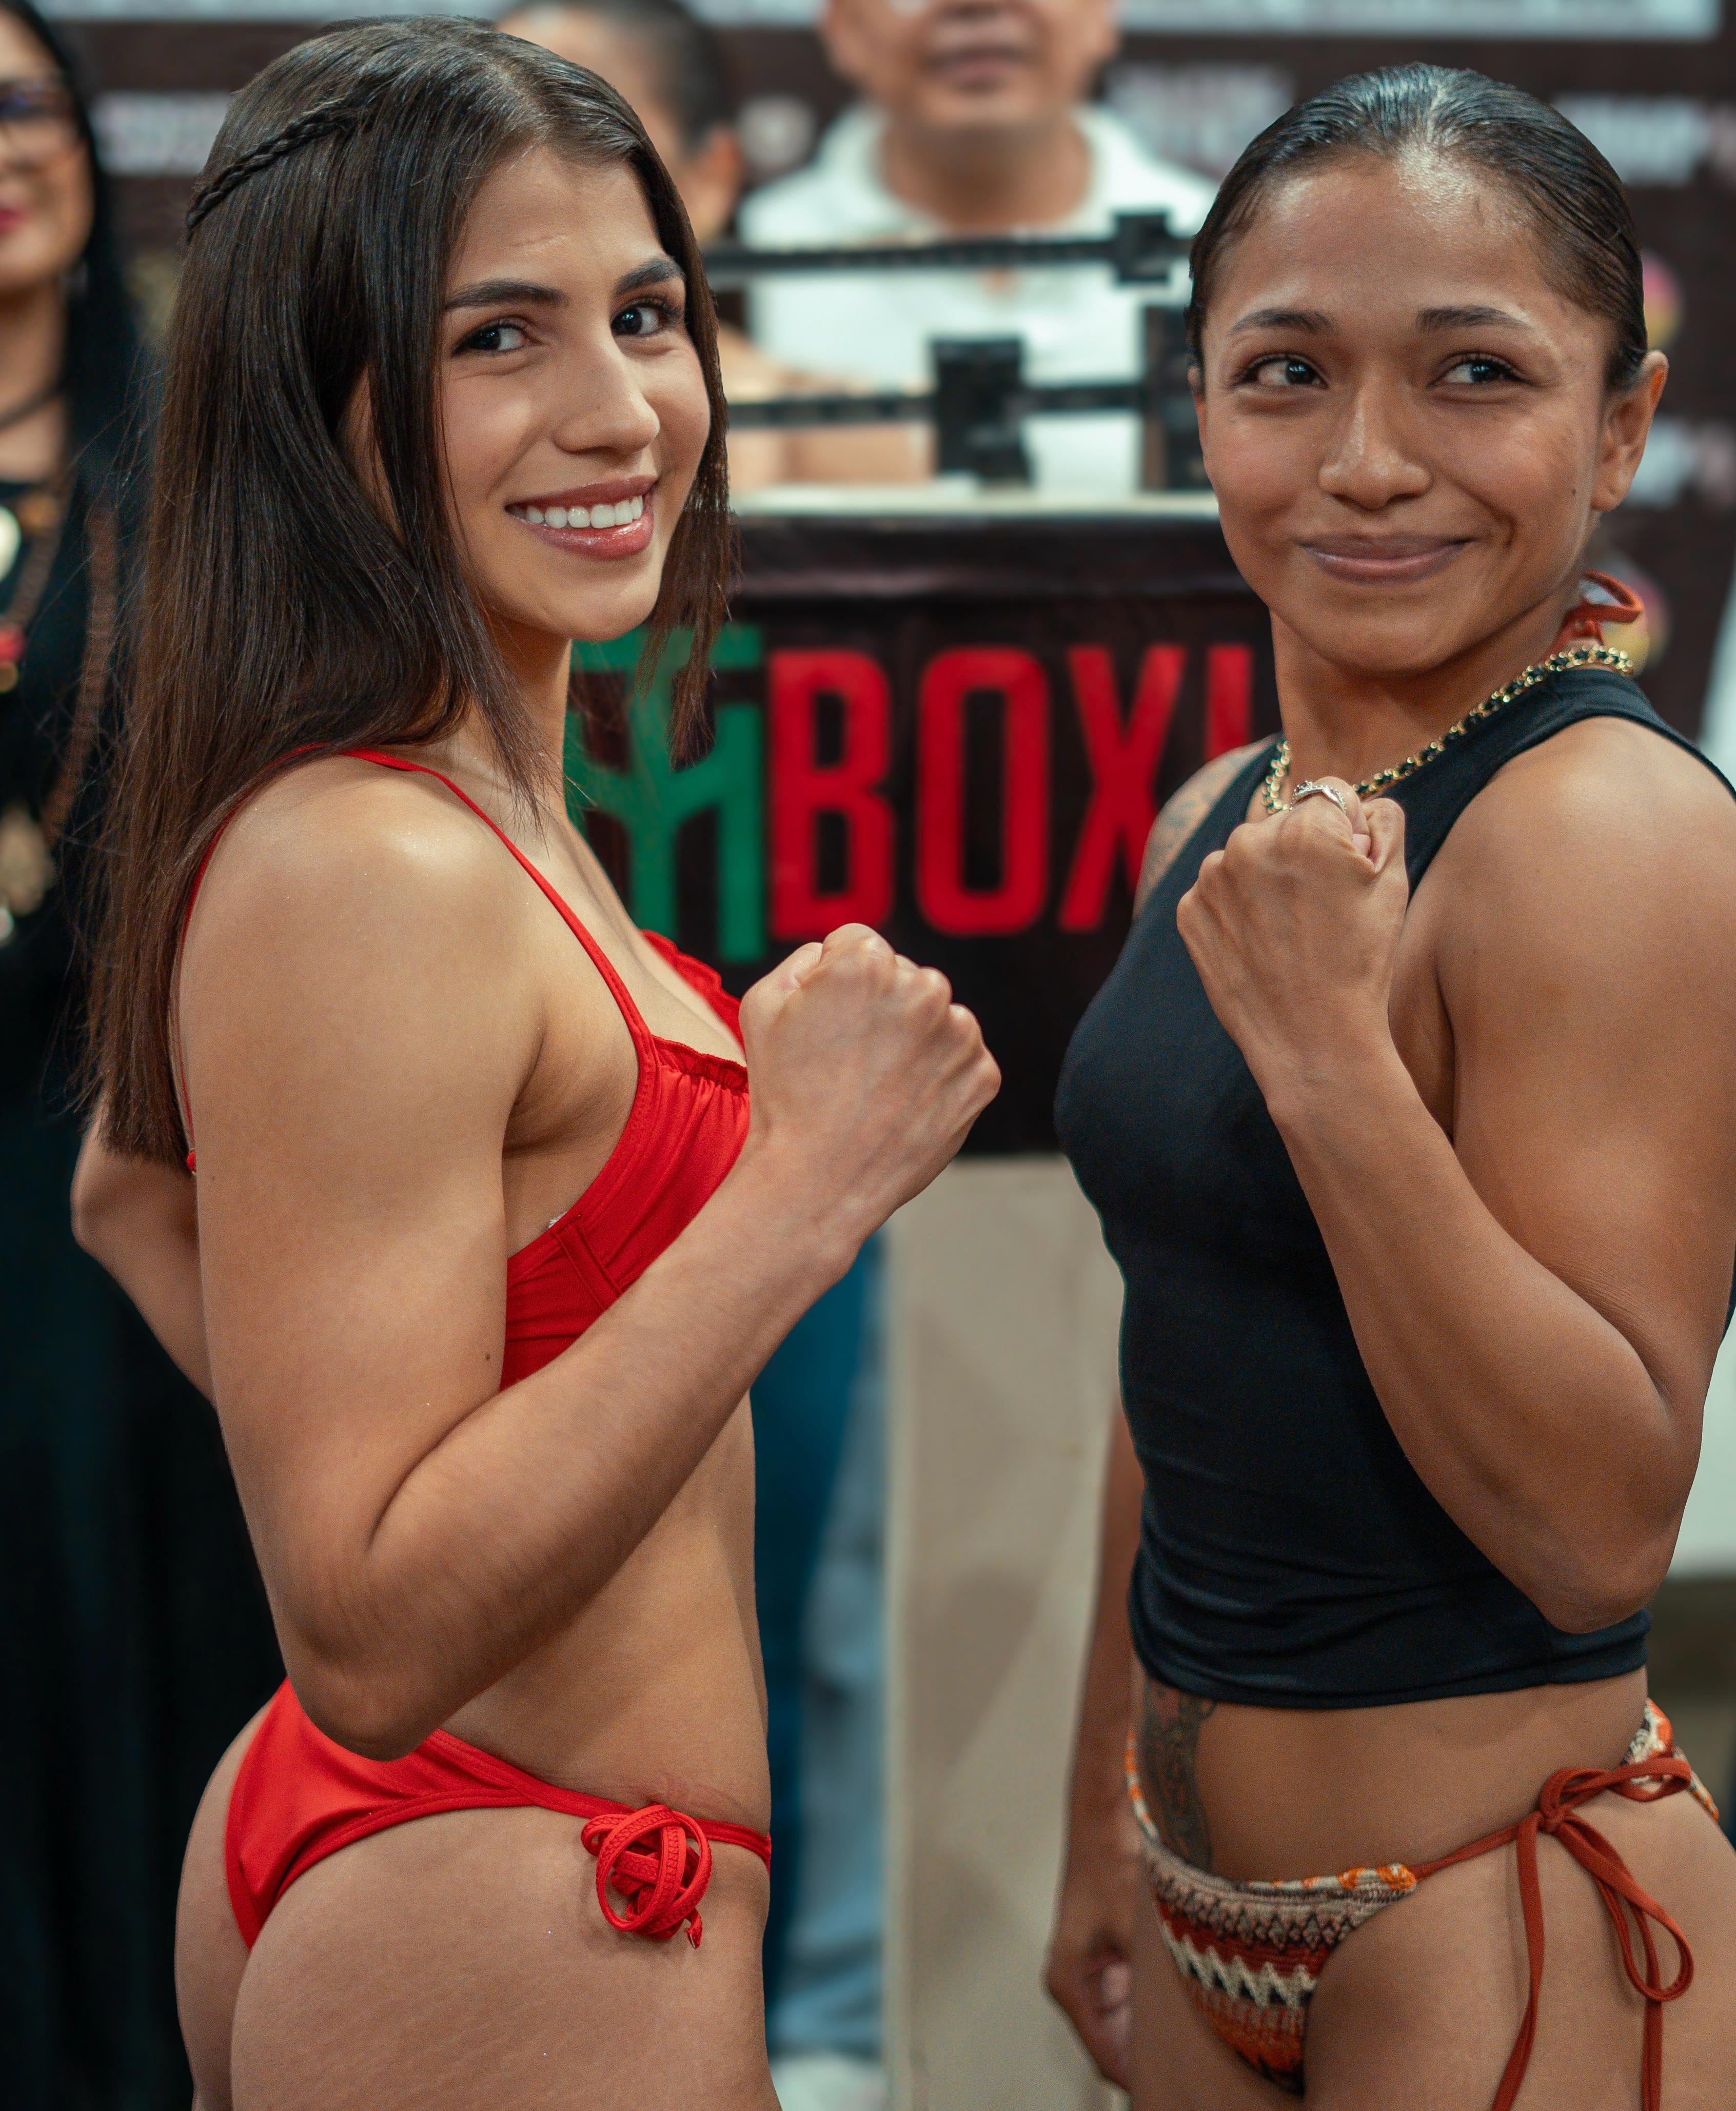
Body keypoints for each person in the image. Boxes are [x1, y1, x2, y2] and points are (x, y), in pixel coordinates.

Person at [72, 21, 996, 2111]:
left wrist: (374, 1396)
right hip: (506, 1886)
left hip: (490, 1865)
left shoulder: (459, 806)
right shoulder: (373, 857)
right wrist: (796, 1194)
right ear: (330, 403)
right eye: (504, 336)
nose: (621, 408)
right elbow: (377, 1626)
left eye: (647, 315)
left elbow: (130, 1187)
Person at [1047, 65, 1736, 2111]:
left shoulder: (1599, 835)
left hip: (1502, 1929)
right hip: (1206, 1911)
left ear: (1617, 427)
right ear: (1202, 413)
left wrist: (1333, 1058)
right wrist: (1103, 1802)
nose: (1366, 462)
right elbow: (1174, 1355)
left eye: (1471, 374)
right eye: (1287, 373)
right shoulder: (1220, 814)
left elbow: (1597, 1521)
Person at [0, 7, 280, 2105]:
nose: (4, 148)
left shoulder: (186, 454)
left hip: (112, 1136)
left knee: (117, 1620)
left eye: (24, 103)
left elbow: (253, 771)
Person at [739, 0, 1216, 493]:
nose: (976, 7)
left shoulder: (1226, 247)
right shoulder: (730, 260)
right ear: (843, 25)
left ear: (1103, 13)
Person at [501, 0, 921, 490]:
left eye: (580, 128)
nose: (521, 168)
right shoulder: (416, 404)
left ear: (709, 178)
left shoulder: (844, 434)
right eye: (487, 132)